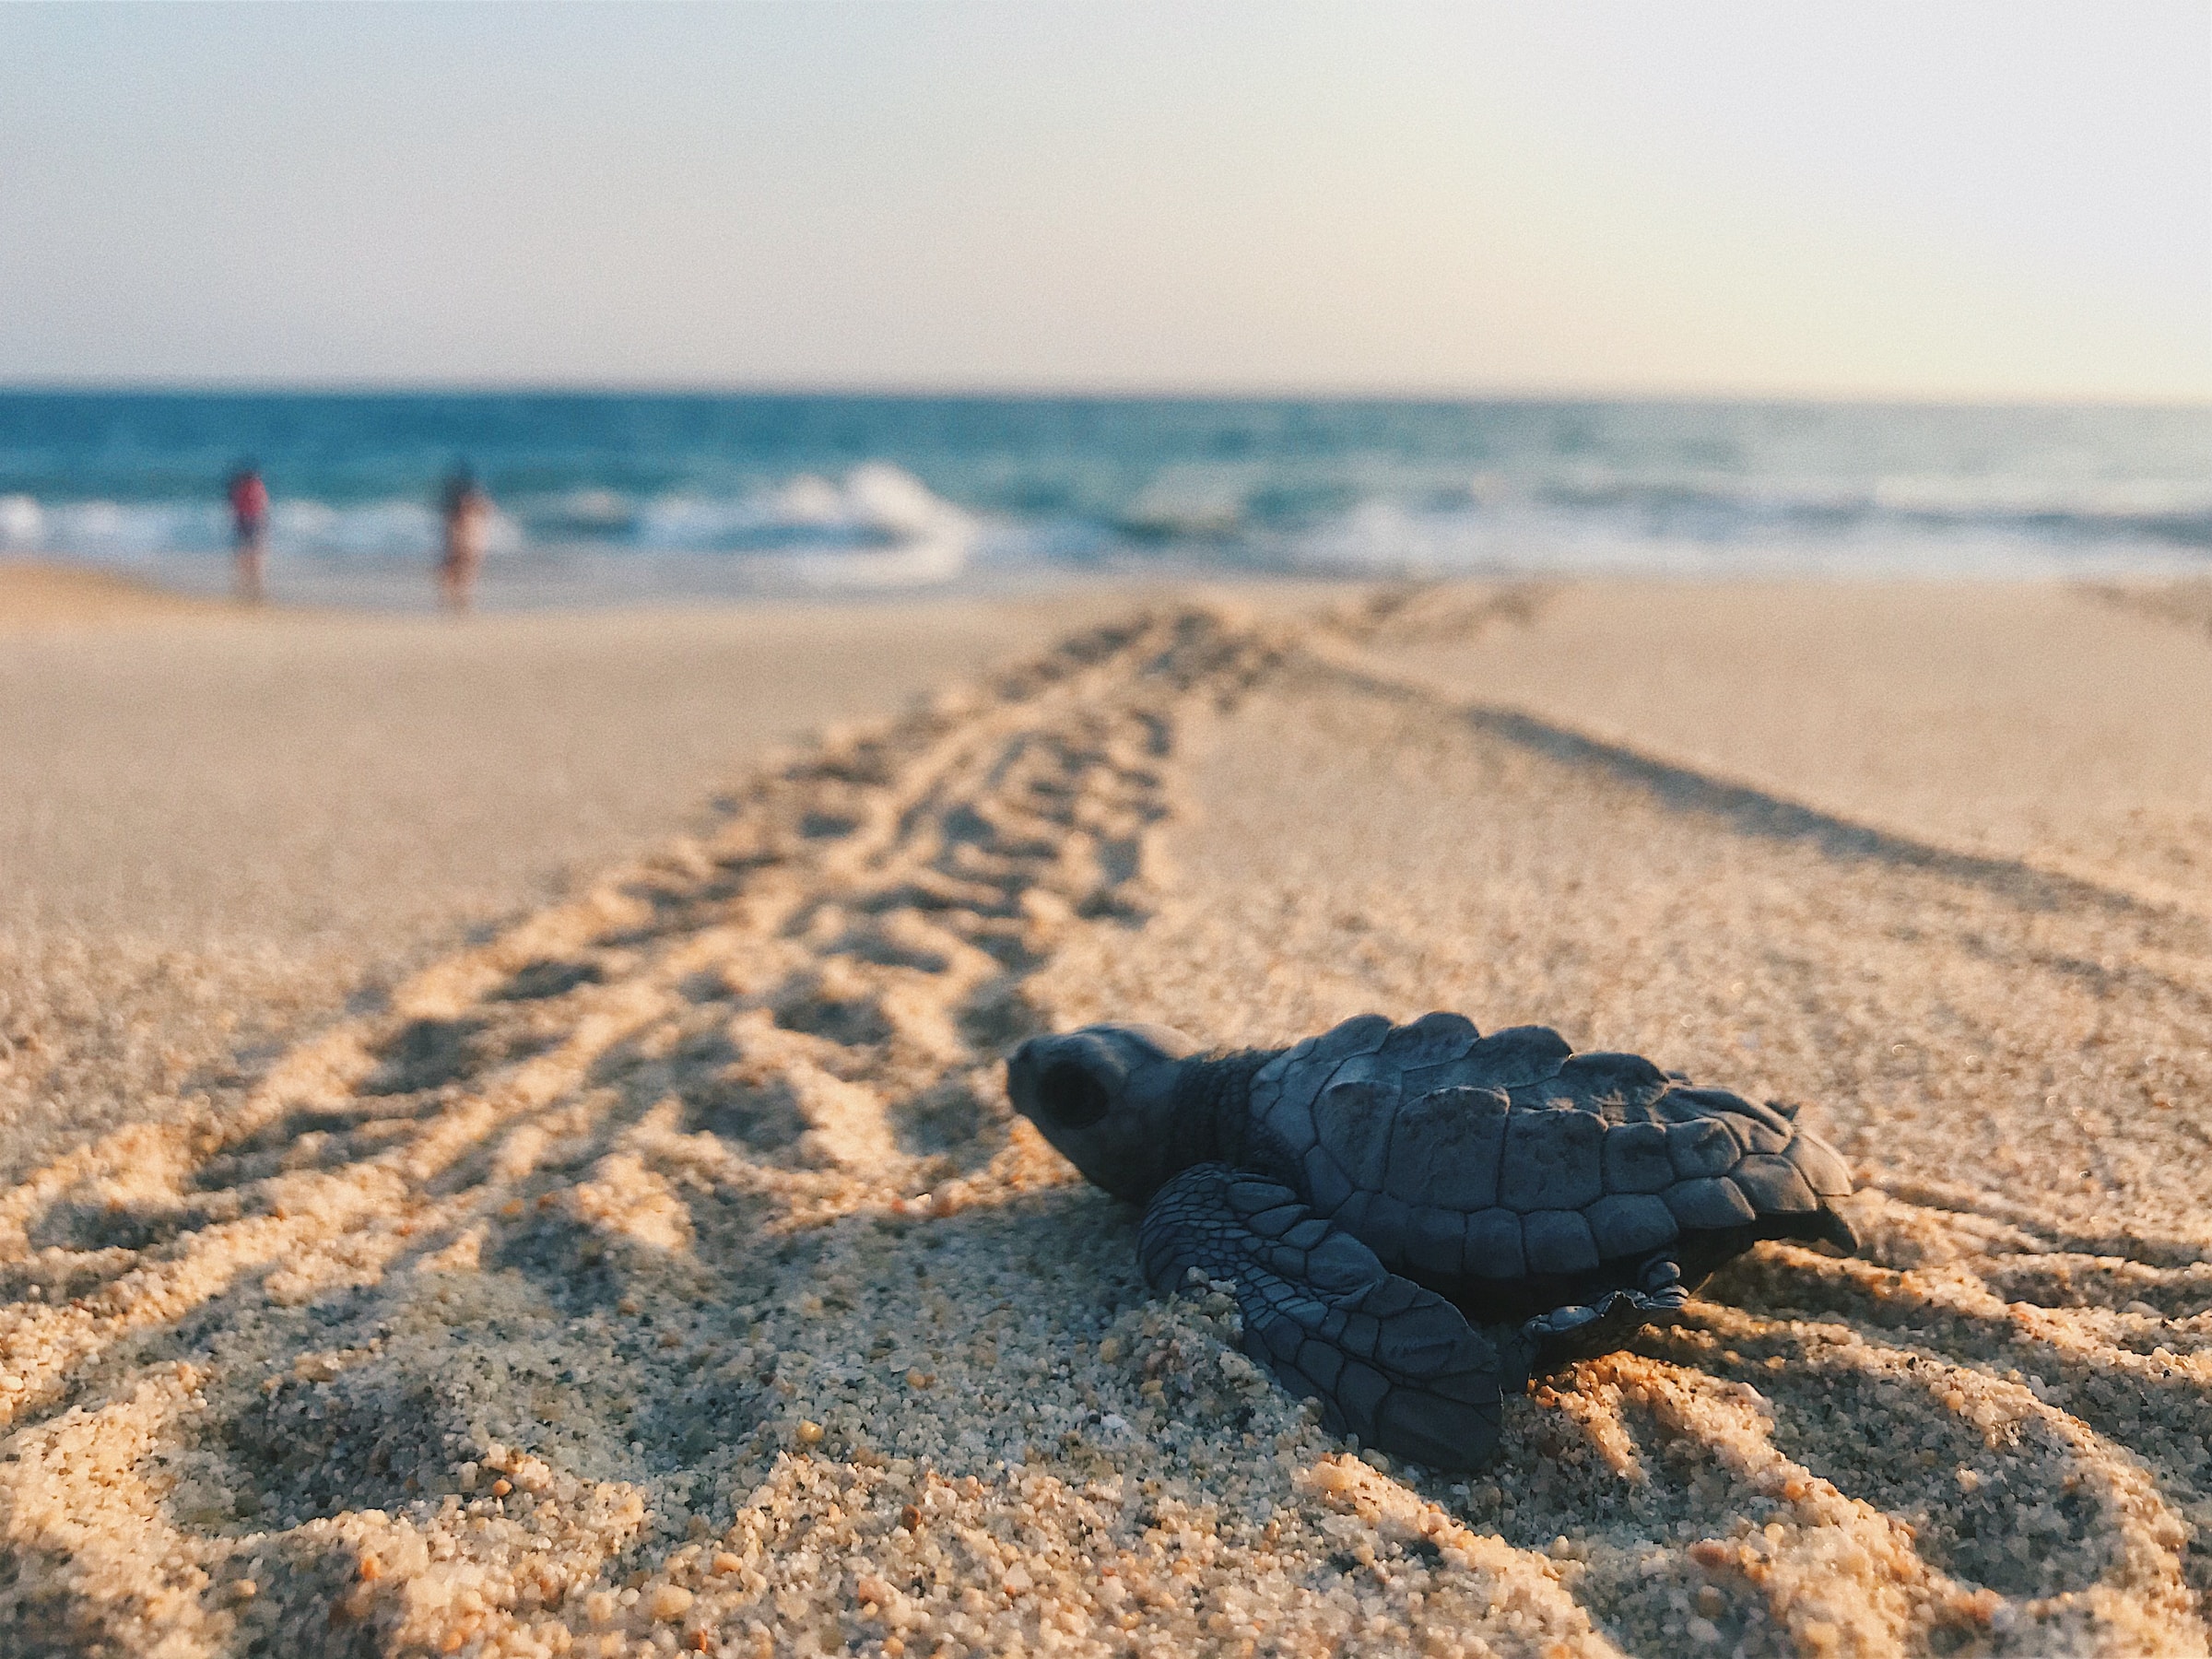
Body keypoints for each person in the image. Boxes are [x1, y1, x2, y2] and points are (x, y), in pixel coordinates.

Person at [437, 463, 493, 612]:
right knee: (465, 570)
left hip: (457, 537)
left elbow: (447, 520)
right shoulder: (472, 499)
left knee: (454, 569)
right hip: (469, 538)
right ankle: (460, 600)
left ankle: (454, 600)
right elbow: (488, 511)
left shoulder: (454, 500)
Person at [226, 461, 270, 603]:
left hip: (245, 523)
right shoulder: (256, 487)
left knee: (246, 556)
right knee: (253, 557)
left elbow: (234, 508)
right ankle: (254, 589)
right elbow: (264, 508)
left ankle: (248, 588)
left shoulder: (241, 487)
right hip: (251, 523)